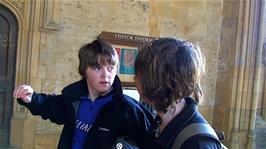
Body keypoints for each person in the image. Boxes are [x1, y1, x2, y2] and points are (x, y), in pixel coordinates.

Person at [13, 39, 152, 149]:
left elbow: (150, 141)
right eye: (97, 68)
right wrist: (30, 97)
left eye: (110, 68)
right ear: (84, 71)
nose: (106, 75)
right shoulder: (74, 98)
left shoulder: (127, 108)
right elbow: (50, 106)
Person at [134, 37, 222, 149]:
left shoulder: (197, 143)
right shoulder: (159, 122)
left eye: (140, 75)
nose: (135, 79)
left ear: (158, 83)